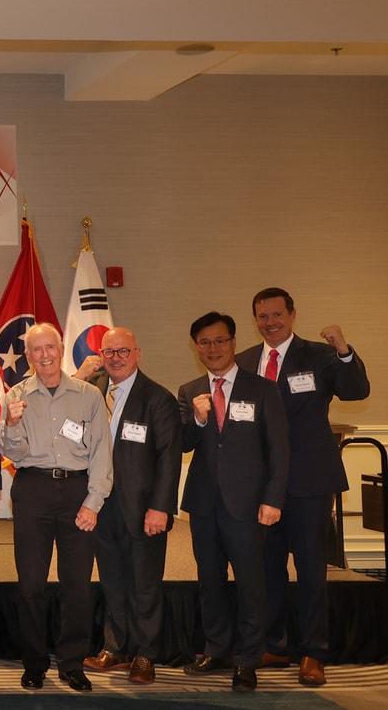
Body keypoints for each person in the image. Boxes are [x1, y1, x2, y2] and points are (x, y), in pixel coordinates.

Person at [236, 288, 368, 686]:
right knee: (268, 568)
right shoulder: (244, 361)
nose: (270, 322)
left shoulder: (320, 355)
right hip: (261, 485)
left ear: (293, 315)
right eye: (263, 316)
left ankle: (314, 651)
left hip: (309, 481)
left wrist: (343, 350)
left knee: (311, 569)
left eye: (277, 314)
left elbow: (356, 390)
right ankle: (274, 643)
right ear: (255, 320)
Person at [179, 311, 289, 693]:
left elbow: (279, 450)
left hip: (248, 505)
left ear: (233, 342)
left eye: (220, 340)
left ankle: (247, 659)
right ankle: (216, 649)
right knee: (209, 580)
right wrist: (196, 419)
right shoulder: (189, 390)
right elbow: (182, 444)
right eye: (205, 342)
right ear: (196, 348)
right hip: (203, 505)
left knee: (250, 584)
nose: (213, 348)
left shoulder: (263, 389)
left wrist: (273, 498)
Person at [1, 322, 112, 692]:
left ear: (61, 349)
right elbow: (13, 453)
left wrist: (93, 501)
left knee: (76, 585)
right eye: (37, 349)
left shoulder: (88, 395)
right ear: (28, 355)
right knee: (30, 585)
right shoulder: (16, 395)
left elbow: (102, 452)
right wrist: (12, 425)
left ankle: (71, 663)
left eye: (50, 347)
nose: (45, 355)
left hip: (77, 492)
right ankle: (34, 664)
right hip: (32, 490)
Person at [82, 327, 180, 685]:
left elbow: (169, 458)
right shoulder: (91, 392)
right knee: (112, 580)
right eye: (109, 352)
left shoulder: (158, 398)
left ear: (137, 353)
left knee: (144, 583)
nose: (116, 358)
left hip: (143, 509)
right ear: (101, 356)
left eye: (123, 351)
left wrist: (161, 508)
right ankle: (116, 647)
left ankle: (145, 654)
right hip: (100, 504)